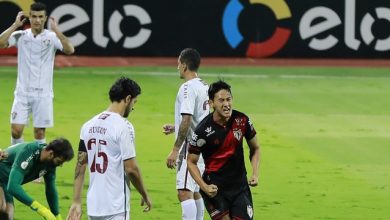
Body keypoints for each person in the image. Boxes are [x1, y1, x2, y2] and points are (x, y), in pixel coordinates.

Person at [67, 77, 152, 220]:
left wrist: (76, 201)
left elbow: (80, 165)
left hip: (94, 206)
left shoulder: (87, 126)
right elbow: (131, 169)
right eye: (134, 102)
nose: (133, 107)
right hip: (116, 206)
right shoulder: (124, 126)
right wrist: (145, 194)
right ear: (128, 98)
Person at [0, 2, 75, 145]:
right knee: (16, 130)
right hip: (22, 93)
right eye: (34, 16)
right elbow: (1, 43)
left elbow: (70, 50)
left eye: (40, 17)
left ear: (45, 18)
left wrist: (58, 31)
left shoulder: (52, 37)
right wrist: (15, 25)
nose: (37, 20)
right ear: (29, 17)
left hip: (43, 94)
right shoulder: (20, 35)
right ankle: (18, 161)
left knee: (39, 133)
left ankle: (38, 165)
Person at [187, 80, 260, 220]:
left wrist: (255, 173)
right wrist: (204, 186)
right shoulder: (202, 130)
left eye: (229, 99)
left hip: (240, 188)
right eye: (221, 100)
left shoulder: (242, 120)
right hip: (215, 189)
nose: (226, 104)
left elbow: (255, 148)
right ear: (211, 103)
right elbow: (191, 162)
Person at [163, 48, 209, 220]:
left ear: (184, 66)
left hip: (189, 148)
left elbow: (188, 119)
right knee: (196, 190)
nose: (177, 67)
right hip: (203, 146)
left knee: (184, 191)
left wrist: (175, 150)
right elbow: (202, 118)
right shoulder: (205, 86)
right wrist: (176, 126)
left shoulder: (187, 88)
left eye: (178, 63)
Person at [0, 138, 74, 220]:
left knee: (8, 215)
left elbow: (51, 189)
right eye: (59, 161)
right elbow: (13, 187)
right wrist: (40, 209)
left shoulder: (50, 163)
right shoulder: (28, 152)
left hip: (5, 181)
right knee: (2, 209)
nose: (60, 165)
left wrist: (57, 215)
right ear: (51, 153)